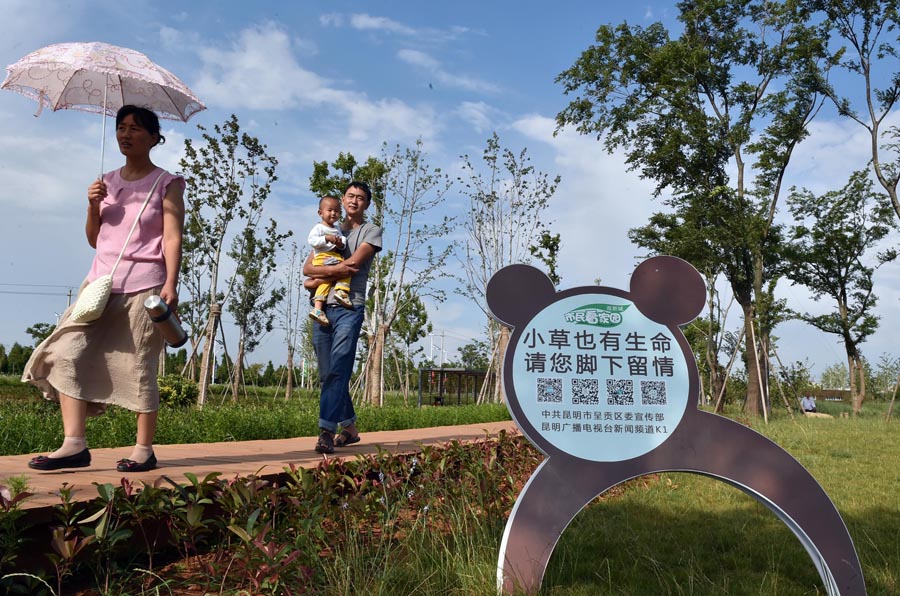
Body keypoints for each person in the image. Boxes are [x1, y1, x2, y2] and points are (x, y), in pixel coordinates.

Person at [22, 105, 185, 473]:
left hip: (145, 286)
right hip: (99, 286)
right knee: (67, 352)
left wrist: (171, 282)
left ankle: (144, 449)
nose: (126, 135)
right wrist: (93, 205)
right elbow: (96, 239)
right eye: (121, 128)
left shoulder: (167, 183)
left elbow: (173, 237)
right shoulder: (106, 181)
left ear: (154, 137)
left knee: (140, 364)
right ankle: (74, 445)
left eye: (136, 129)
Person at [303, 181, 382, 454]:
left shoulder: (371, 231)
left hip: (350, 307)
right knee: (327, 374)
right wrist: (319, 276)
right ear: (342, 199)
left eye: (361, 197)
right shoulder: (329, 228)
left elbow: (355, 264)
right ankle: (350, 428)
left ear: (367, 204)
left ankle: (326, 431)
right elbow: (306, 269)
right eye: (350, 196)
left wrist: (319, 276)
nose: (354, 201)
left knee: (339, 368)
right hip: (322, 308)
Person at [307, 195, 353, 326]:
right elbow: (312, 240)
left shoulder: (337, 228)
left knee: (325, 284)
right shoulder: (319, 228)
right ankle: (341, 291)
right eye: (330, 210)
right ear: (320, 213)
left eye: (337, 211)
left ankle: (317, 308)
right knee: (345, 270)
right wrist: (326, 238)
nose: (333, 213)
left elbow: (343, 240)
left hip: (333, 255)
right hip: (323, 257)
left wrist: (340, 244)